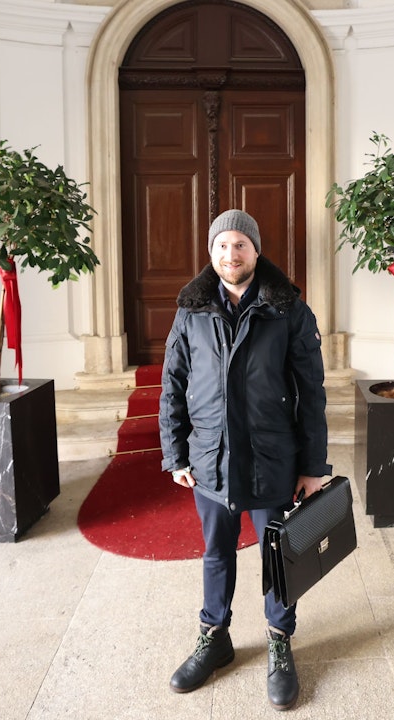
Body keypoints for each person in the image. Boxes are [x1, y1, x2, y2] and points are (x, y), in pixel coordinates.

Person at [159, 208, 332, 711]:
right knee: (216, 553)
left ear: (256, 250)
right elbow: (172, 386)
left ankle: (280, 641)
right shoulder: (191, 310)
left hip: (271, 459)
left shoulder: (288, 309)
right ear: (211, 252)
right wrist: (176, 454)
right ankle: (214, 637)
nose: (230, 254)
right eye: (221, 245)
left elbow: (311, 393)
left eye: (240, 244)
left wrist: (312, 467)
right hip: (209, 460)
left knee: (278, 556)